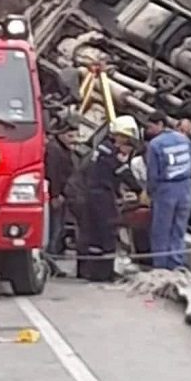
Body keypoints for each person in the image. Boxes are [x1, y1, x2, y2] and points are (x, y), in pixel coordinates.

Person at [77, 116, 143, 281]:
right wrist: (139, 190)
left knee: (94, 235)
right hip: (101, 197)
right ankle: (104, 272)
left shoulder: (101, 148)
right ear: (122, 137)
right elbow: (123, 173)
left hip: (91, 194)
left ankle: (92, 271)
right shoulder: (111, 153)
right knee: (107, 233)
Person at [145, 110, 191, 270]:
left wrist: (150, 192)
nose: (148, 131)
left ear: (160, 124)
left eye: (150, 127)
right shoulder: (184, 140)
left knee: (161, 229)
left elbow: (153, 173)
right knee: (179, 228)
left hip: (166, 189)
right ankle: (176, 262)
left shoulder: (155, 145)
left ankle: (160, 266)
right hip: (185, 187)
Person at [44, 126, 79, 276]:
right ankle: (49, 263)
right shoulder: (55, 151)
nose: (73, 140)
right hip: (56, 195)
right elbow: (54, 174)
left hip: (64, 194)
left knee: (58, 229)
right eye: (70, 136)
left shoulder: (63, 150)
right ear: (62, 135)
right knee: (54, 229)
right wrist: (56, 194)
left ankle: (51, 262)